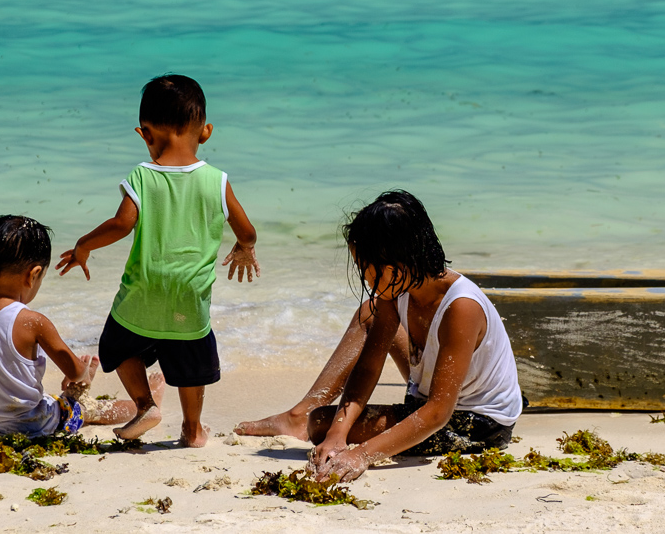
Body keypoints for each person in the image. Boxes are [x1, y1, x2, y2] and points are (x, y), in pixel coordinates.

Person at [236, 190, 521, 483]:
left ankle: (307, 421)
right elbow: (369, 366)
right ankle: (299, 416)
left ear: (391, 265)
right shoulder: (398, 288)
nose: (366, 278)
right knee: (367, 315)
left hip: (477, 422)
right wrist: (338, 434)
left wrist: (362, 454)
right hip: (427, 399)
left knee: (320, 422)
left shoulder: (461, 307)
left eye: (364, 268)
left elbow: (437, 412)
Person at [57, 74, 260, 447]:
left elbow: (122, 224)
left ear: (145, 134)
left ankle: (144, 404)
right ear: (206, 132)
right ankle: (193, 430)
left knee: (117, 346)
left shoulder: (142, 176)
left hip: (144, 291)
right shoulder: (216, 180)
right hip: (190, 296)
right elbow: (247, 230)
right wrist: (244, 248)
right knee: (190, 365)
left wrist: (84, 246)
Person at [0, 215, 151, 436]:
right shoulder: (33, 322)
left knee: (51, 400)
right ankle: (145, 407)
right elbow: (73, 371)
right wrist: (84, 372)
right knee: (90, 409)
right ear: (33, 275)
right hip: (29, 425)